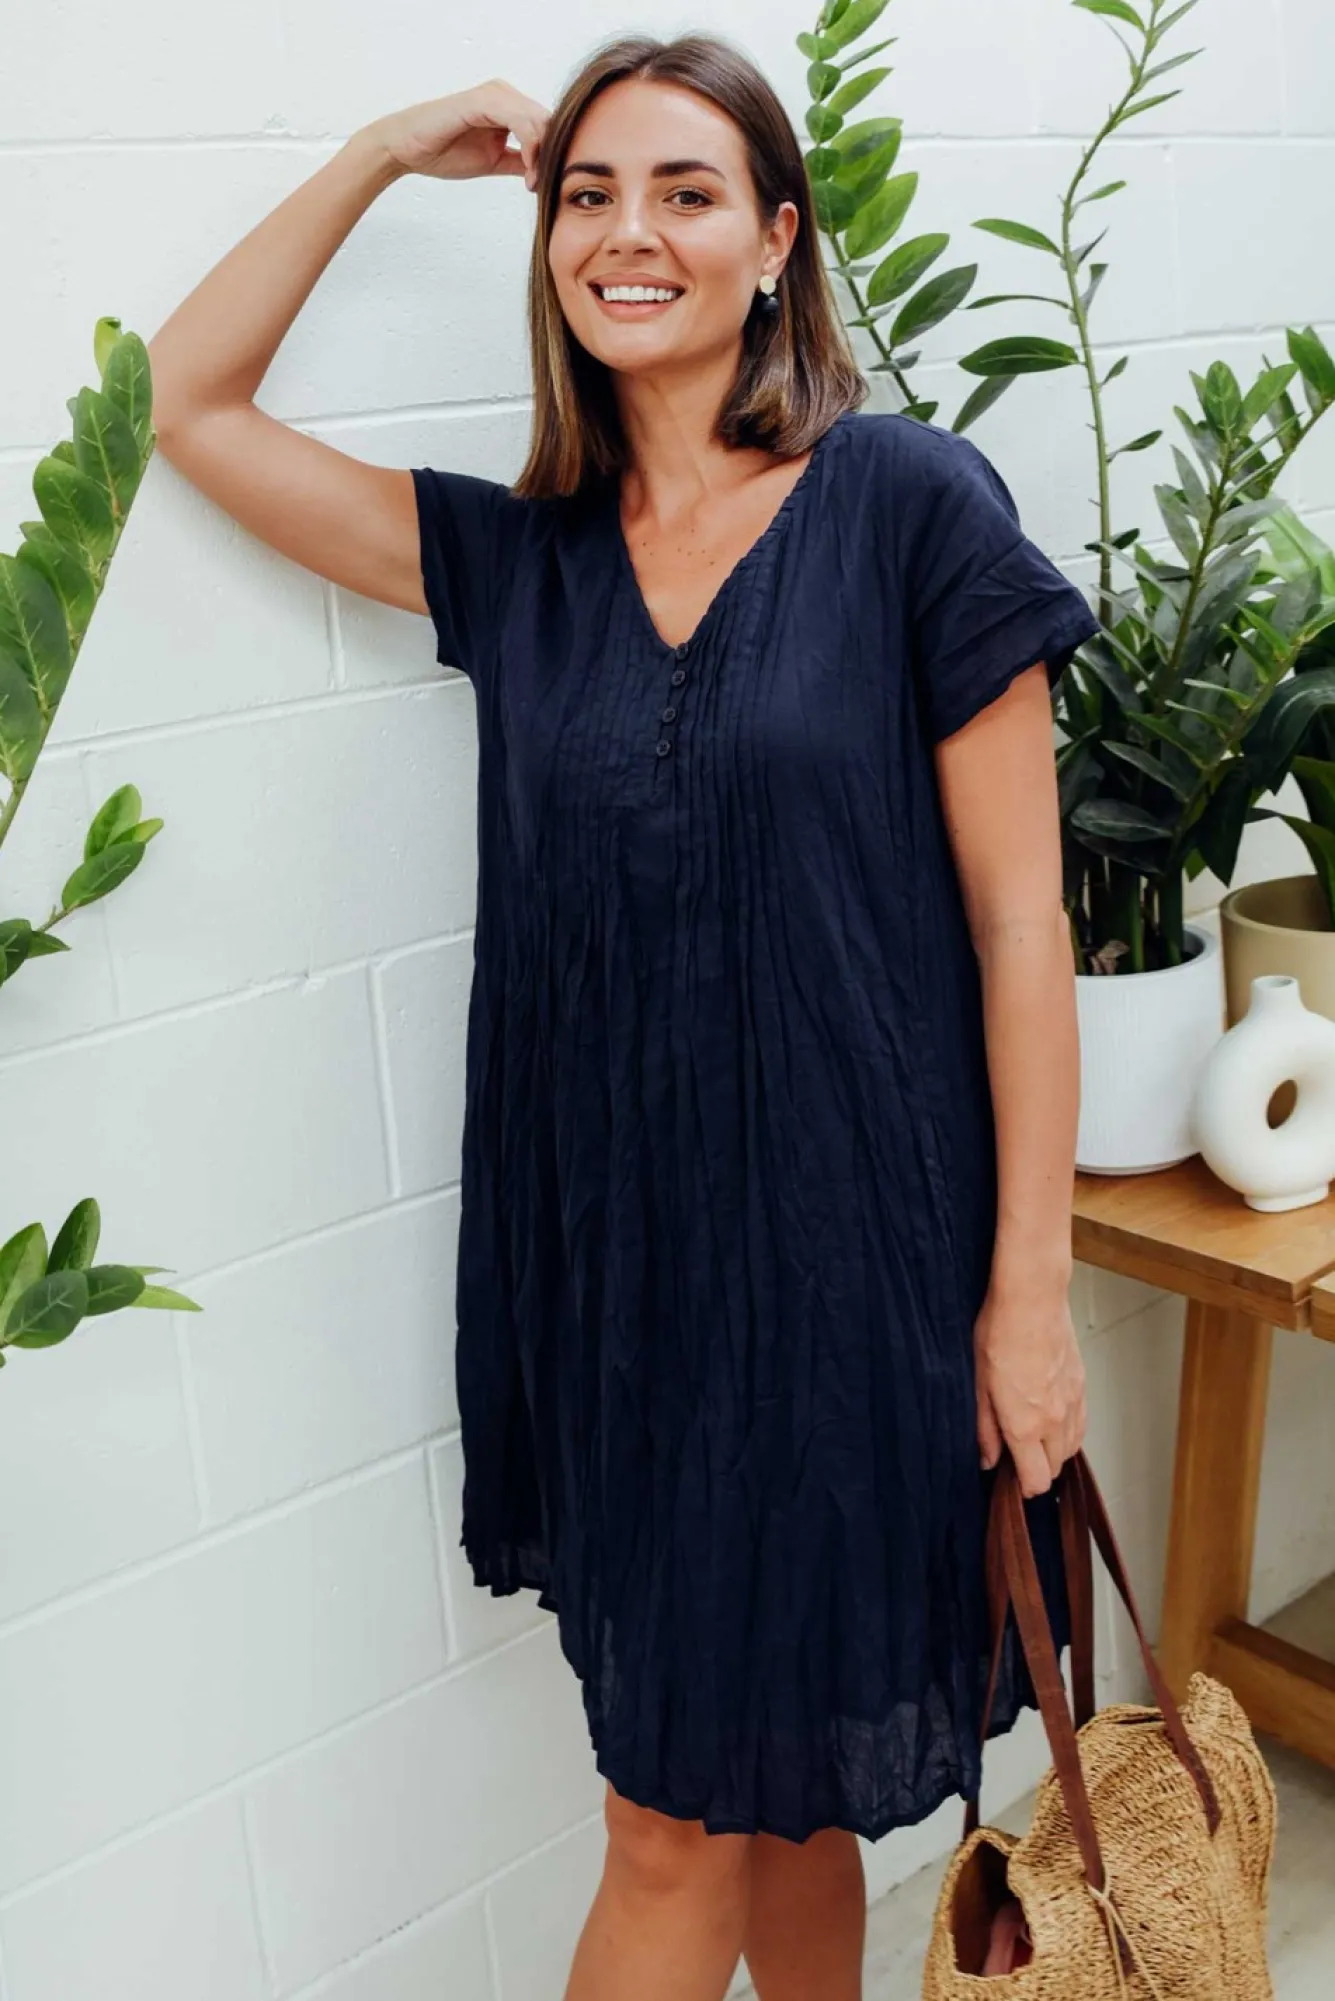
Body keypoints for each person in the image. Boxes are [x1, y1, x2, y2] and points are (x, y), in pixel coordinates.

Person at [147, 31, 1095, 2001]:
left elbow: (1022, 924)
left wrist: (1027, 1299)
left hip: (858, 1279)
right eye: (588, 195)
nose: (627, 233)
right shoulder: (518, 563)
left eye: (683, 192)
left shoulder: (906, 505)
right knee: (712, 1808)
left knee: (762, 1810)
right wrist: (377, 148)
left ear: (777, 241)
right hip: (627, 1298)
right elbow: (185, 402)